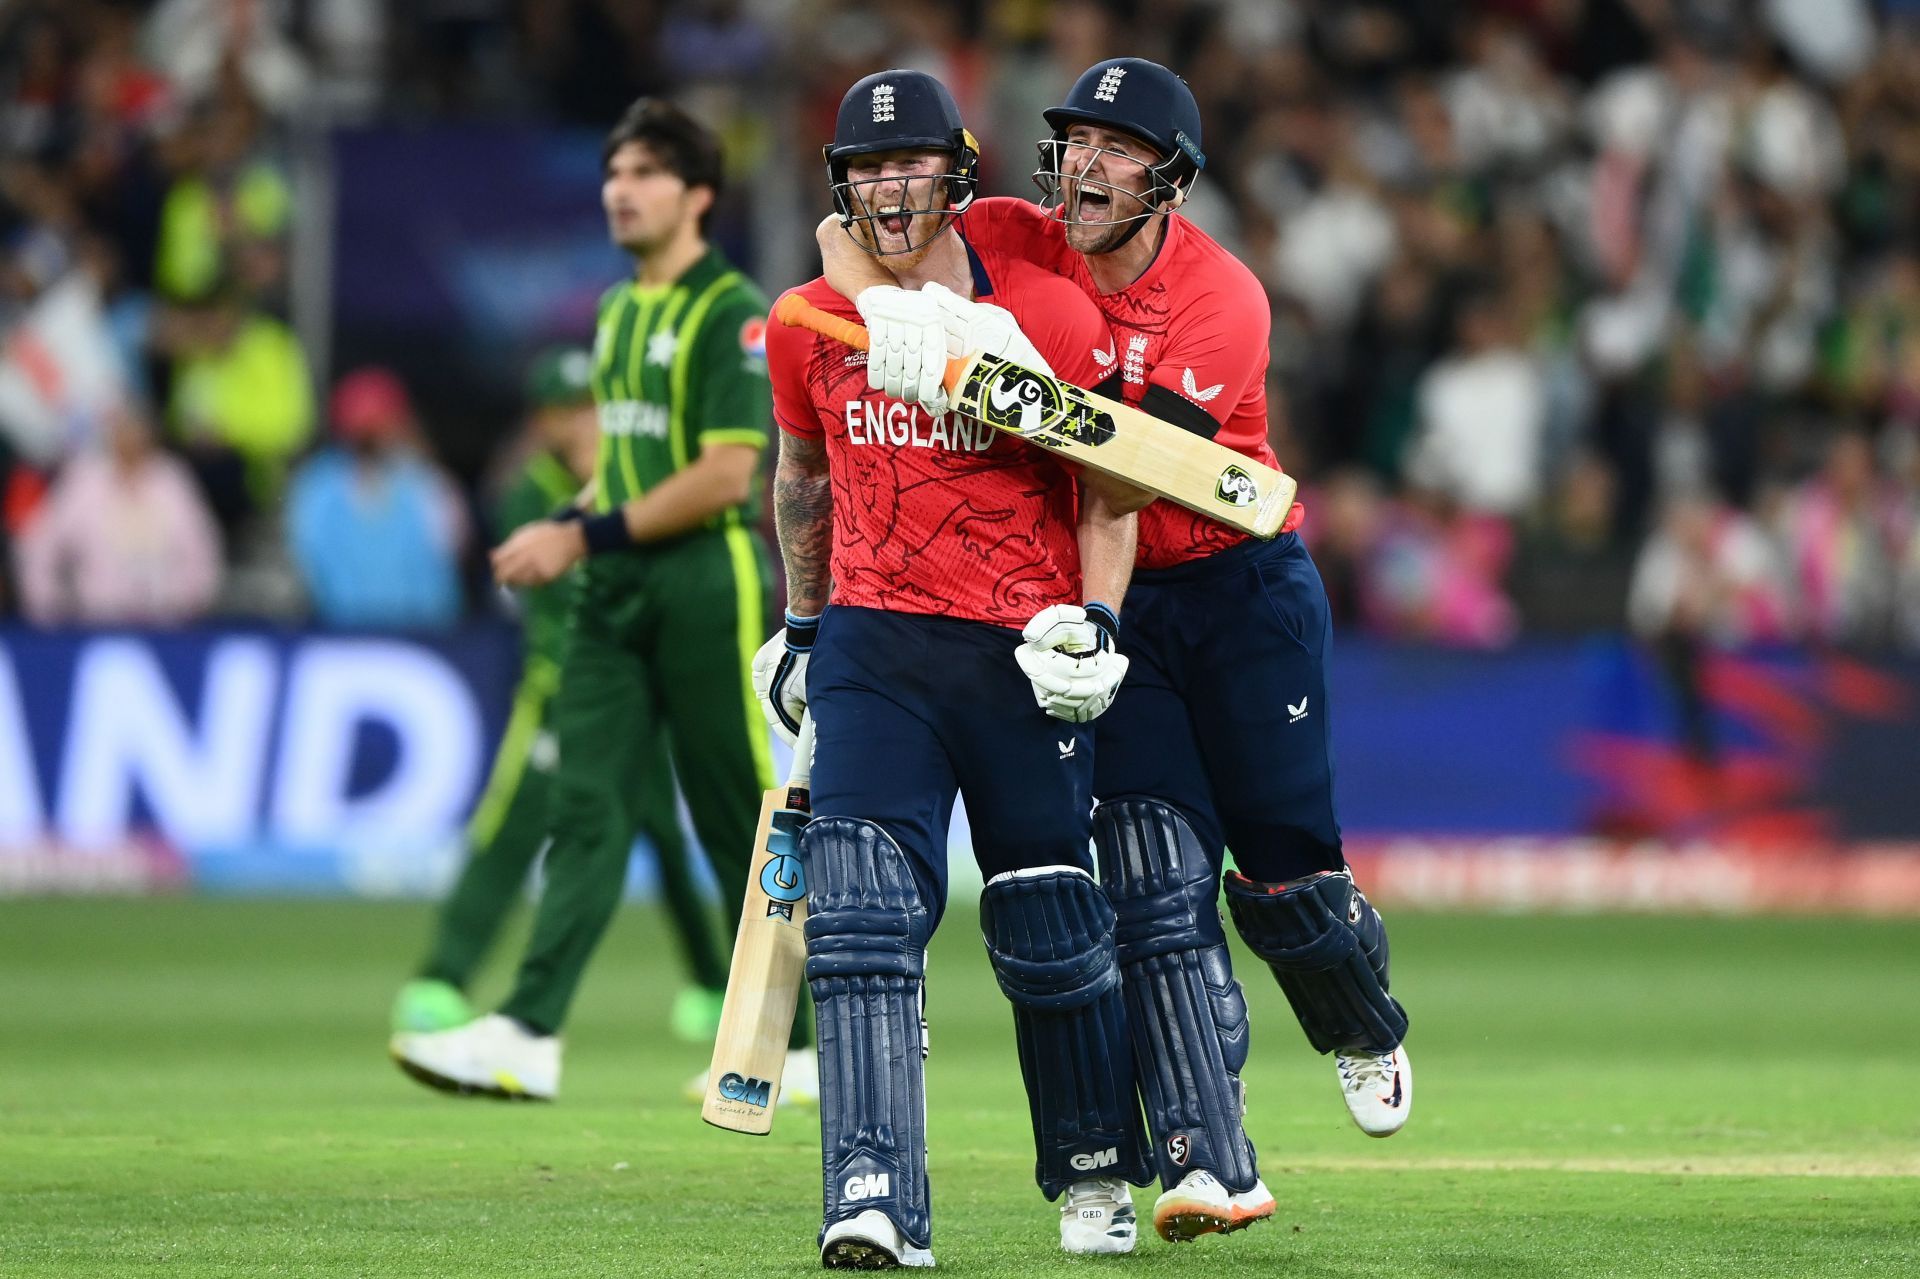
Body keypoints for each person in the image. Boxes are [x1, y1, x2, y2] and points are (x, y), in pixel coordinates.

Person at [824, 58, 1415, 1245]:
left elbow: (1134, 465)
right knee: (1150, 877)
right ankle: (1210, 1158)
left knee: (1286, 870)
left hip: (1242, 596)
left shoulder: (1225, 299)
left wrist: (983, 365)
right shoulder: (1014, 237)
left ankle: (1360, 1017)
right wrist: (889, 308)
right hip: (1117, 598)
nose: (1085, 166)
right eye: (1074, 142)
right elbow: (856, 228)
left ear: (1173, 181)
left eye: (1117, 148)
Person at [760, 70, 1149, 1267]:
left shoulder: (1048, 309)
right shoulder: (809, 319)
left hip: (1017, 647)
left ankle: (1093, 1171)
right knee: (864, 920)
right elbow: (802, 477)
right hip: (876, 643)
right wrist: (803, 623)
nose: (886, 189)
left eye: (910, 166)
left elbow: (1116, 485)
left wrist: (1098, 618)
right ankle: (871, 1194)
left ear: (958, 174)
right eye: (865, 170)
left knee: (1049, 924)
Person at [390, 98, 800, 1102]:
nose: (621, 189)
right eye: (614, 172)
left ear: (699, 194)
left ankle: (796, 1043)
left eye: (647, 172)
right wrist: (569, 522)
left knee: (732, 818)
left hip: (706, 579)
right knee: (586, 809)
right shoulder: (618, 312)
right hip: (615, 590)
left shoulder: (731, 310)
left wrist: (579, 532)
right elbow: (625, 469)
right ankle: (529, 1032)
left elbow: (723, 478)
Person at [389, 347, 732, 1046]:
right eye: (565, 412)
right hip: (564, 697)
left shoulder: (640, 479)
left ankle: (714, 986)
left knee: (667, 837)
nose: (580, 425)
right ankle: (442, 977)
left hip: (640, 694)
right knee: (512, 829)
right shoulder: (529, 492)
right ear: (541, 421)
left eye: (590, 409)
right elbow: (548, 615)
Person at [285, 366, 467, 630]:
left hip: (426, 635)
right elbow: (305, 561)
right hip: (340, 634)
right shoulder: (317, 486)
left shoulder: (425, 482)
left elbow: (453, 549)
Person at [13, 399, 222, 624]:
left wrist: (191, 602)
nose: (131, 438)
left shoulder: (171, 479)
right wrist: (47, 607)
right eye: (124, 429)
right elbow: (40, 543)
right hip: (97, 621)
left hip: (167, 621)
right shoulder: (86, 481)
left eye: (138, 429)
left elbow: (203, 547)